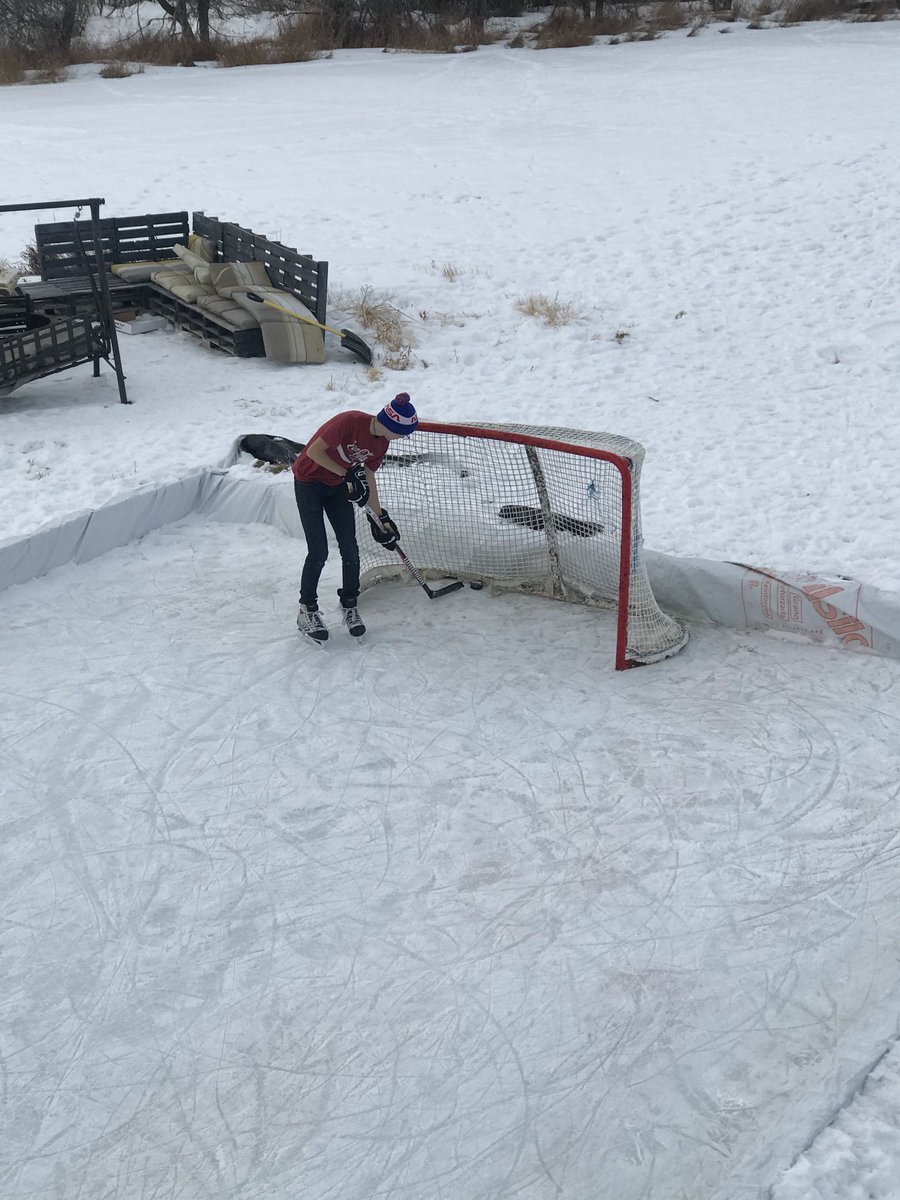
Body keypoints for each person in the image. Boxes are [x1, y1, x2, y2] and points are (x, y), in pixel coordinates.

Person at [291, 394, 418, 642]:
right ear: (393, 425)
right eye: (404, 433)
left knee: (350, 549)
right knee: (318, 552)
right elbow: (315, 451)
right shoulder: (350, 421)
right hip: (309, 482)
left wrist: (379, 518)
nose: (404, 438)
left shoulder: (382, 443)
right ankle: (307, 609)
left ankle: (350, 604)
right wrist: (346, 474)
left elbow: (368, 476)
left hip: (337, 486)